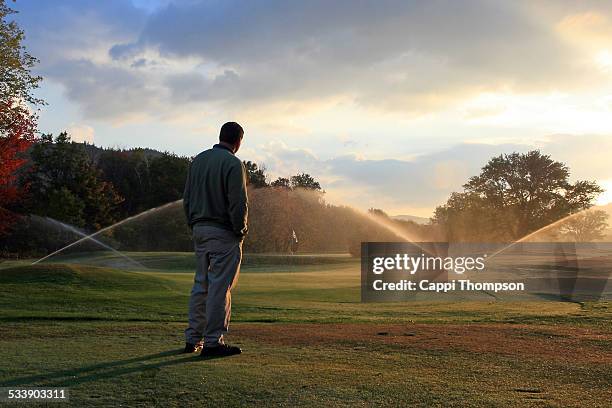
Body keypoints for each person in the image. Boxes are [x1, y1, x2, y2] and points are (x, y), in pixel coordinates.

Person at [182, 122, 248, 357]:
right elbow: (238, 202)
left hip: (199, 229)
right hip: (223, 232)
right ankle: (212, 342)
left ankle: (192, 339)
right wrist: (240, 229)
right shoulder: (233, 163)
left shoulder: (198, 160)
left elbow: (187, 198)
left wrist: (193, 224)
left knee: (201, 285)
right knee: (220, 287)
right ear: (238, 141)